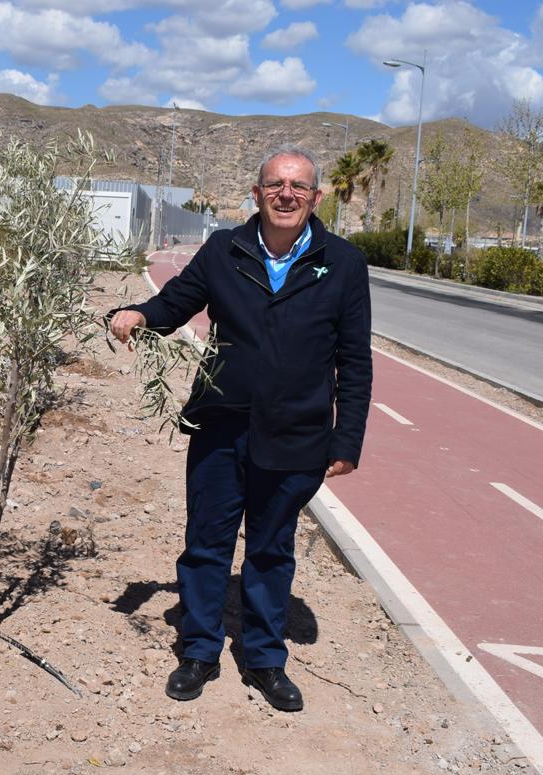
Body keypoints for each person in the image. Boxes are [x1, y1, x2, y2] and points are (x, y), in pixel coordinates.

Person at [110, 144, 372, 712]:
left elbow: (354, 360)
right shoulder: (224, 249)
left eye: (298, 186)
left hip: (296, 435)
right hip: (221, 426)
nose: (287, 194)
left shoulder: (344, 263)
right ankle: (199, 652)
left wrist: (346, 438)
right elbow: (177, 301)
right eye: (276, 184)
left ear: (316, 198)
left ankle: (264, 659)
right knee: (206, 545)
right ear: (256, 194)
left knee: (272, 551)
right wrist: (137, 313)